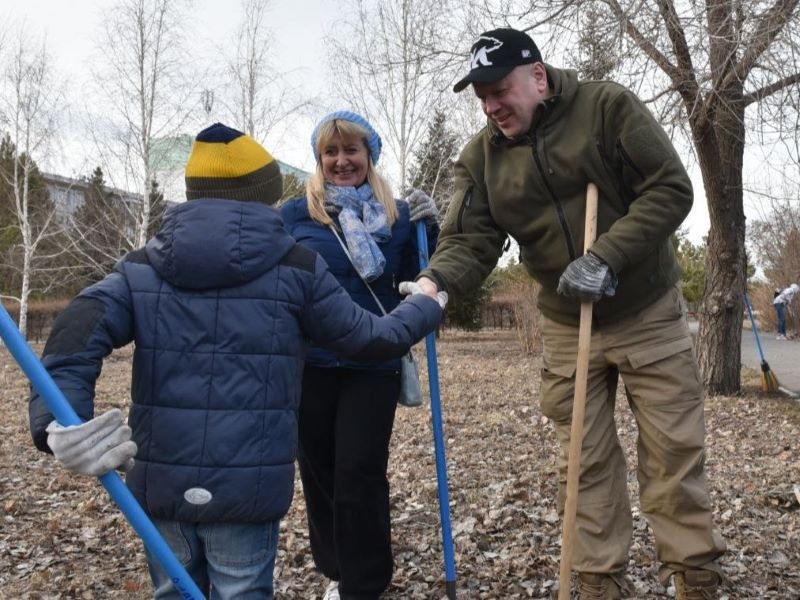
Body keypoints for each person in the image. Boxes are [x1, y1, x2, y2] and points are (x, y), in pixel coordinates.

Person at [28, 123, 446, 600]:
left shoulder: (140, 267)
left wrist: (58, 422)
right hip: (247, 487)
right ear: (265, 195)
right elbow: (370, 336)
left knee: (176, 591)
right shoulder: (296, 265)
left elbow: (74, 334)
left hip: (162, 481)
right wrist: (426, 305)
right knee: (244, 589)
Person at [415, 28, 726, 599]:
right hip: (565, 324)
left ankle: (692, 577)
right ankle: (598, 580)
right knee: (582, 460)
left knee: (673, 454)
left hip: (644, 309)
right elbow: (471, 240)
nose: (490, 106)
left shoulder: (606, 109)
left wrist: (607, 254)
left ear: (537, 76)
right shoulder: (480, 158)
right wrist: (434, 284)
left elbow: (670, 187)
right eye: (481, 95)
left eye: (498, 89)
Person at [281, 110, 439, 600]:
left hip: (373, 359)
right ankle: (335, 568)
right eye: (331, 151)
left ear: (369, 155)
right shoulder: (295, 215)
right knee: (320, 469)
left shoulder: (398, 215)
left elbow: (419, 278)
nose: (342, 160)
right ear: (319, 159)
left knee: (359, 469)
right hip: (312, 361)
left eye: (351, 150)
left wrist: (429, 232)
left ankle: (365, 584)